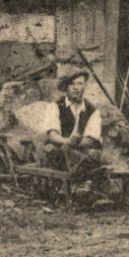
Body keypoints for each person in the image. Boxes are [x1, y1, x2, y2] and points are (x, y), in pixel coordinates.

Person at [42, 71, 114, 206]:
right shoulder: (55, 107)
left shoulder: (92, 110)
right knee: (68, 149)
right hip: (59, 154)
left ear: (85, 86)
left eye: (80, 84)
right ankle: (94, 189)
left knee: (94, 152)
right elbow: (52, 135)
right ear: (65, 88)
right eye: (72, 84)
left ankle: (98, 198)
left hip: (81, 151)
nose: (76, 88)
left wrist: (77, 143)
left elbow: (91, 138)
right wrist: (67, 141)